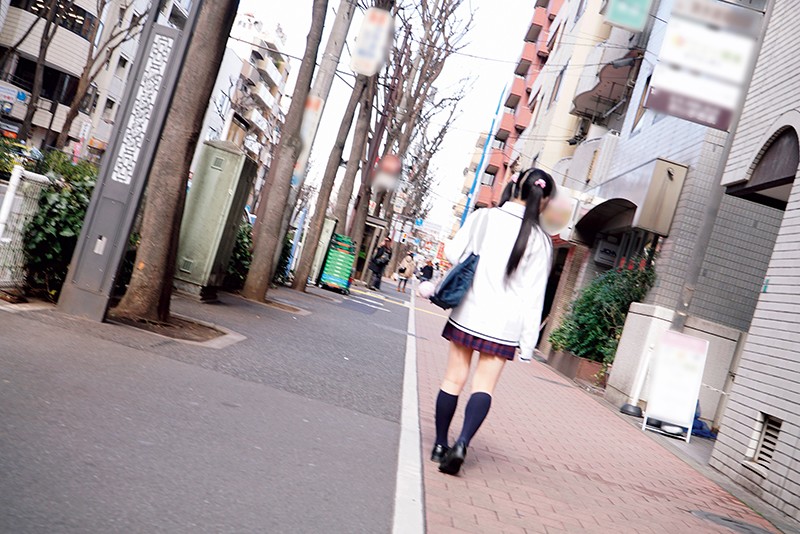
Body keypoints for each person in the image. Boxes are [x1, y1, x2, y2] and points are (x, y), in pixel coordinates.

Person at [432, 168, 555, 476]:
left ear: (515, 187)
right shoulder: (541, 241)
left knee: (453, 379)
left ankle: (439, 445)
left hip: (469, 313)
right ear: (543, 200)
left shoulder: (484, 218)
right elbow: (535, 296)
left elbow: (453, 253)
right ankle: (462, 443)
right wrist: (528, 345)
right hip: (504, 326)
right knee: (484, 386)